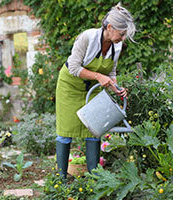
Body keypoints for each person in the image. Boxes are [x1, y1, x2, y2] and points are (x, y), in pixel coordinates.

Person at [55, 2, 136, 179]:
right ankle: (61, 179)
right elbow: (74, 68)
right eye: (121, 34)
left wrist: (117, 88)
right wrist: (99, 76)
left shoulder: (117, 46)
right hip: (70, 86)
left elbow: (111, 72)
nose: (122, 38)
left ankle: (94, 178)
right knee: (65, 132)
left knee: (94, 129)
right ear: (109, 27)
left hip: (93, 88)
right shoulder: (88, 38)